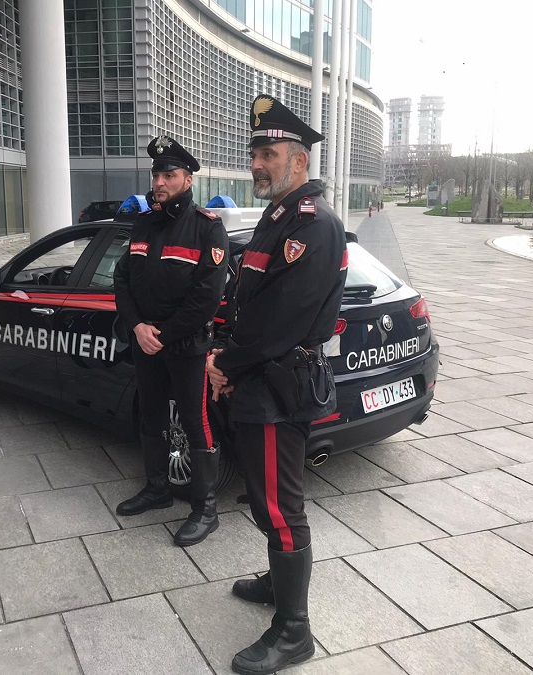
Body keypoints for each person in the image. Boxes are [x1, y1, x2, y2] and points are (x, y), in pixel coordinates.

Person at [206, 95, 347, 675]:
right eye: (256, 152)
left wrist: (224, 364)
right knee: (264, 499)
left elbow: (277, 328)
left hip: (275, 386)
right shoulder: (277, 218)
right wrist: (225, 352)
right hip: (255, 381)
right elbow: (246, 302)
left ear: (299, 160)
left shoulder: (315, 226)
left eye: (268, 153)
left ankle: (294, 630)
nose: (258, 164)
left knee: (281, 506)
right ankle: (278, 581)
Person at [113, 135, 229, 547]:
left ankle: (206, 509)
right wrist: (137, 327)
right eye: (156, 174)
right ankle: (158, 489)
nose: (160, 182)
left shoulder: (207, 228)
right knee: (152, 418)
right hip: (147, 342)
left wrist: (162, 335)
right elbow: (122, 278)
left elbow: (206, 298)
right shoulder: (144, 223)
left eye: (169, 174)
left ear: (188, 178)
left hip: (185, 346)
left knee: (196, 425)